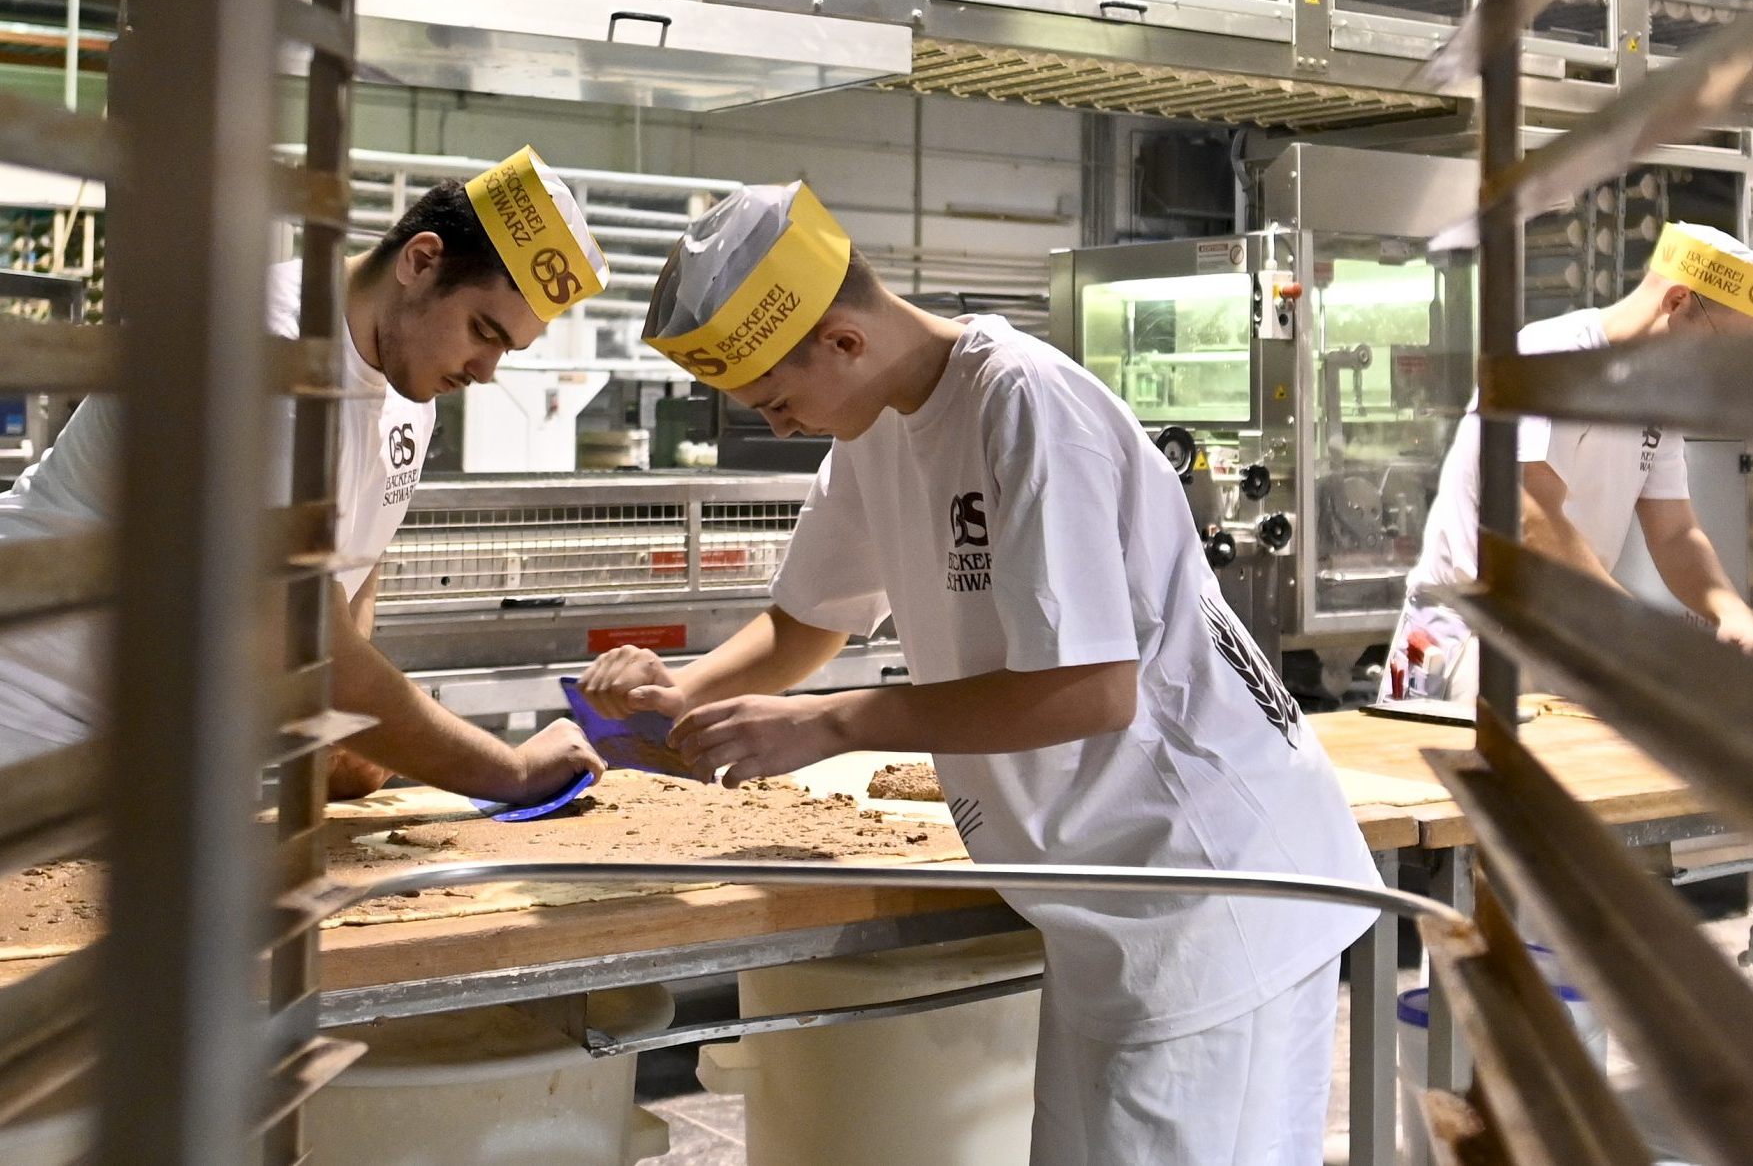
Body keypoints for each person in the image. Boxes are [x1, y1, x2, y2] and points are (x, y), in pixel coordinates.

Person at [582, 181, 1381, 1164]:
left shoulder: (1022, 402)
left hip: (1207, 885)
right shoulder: (870, 425)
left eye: (775, 400)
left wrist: (827, 725)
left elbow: (1090, 688)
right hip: (1106, 900)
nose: (780, 426)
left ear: (840, 338)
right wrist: (685, 693)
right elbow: (804, 622)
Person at [0, 145, 607, 803]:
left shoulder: (410, 379)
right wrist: (509, 771)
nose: (487, 369)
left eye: (506, 348)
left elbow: (351, 572)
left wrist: (336, 734)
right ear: (421, 260)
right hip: (27, 727)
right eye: (482, 331)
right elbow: (296, 632)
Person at [1382, 220, 1753, 704]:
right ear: (1678, 301)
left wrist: (1729, 610)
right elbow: (1531, 518)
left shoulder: (1656, 394)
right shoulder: (1548, 356)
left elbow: (1674, 531)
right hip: (1466, 638)